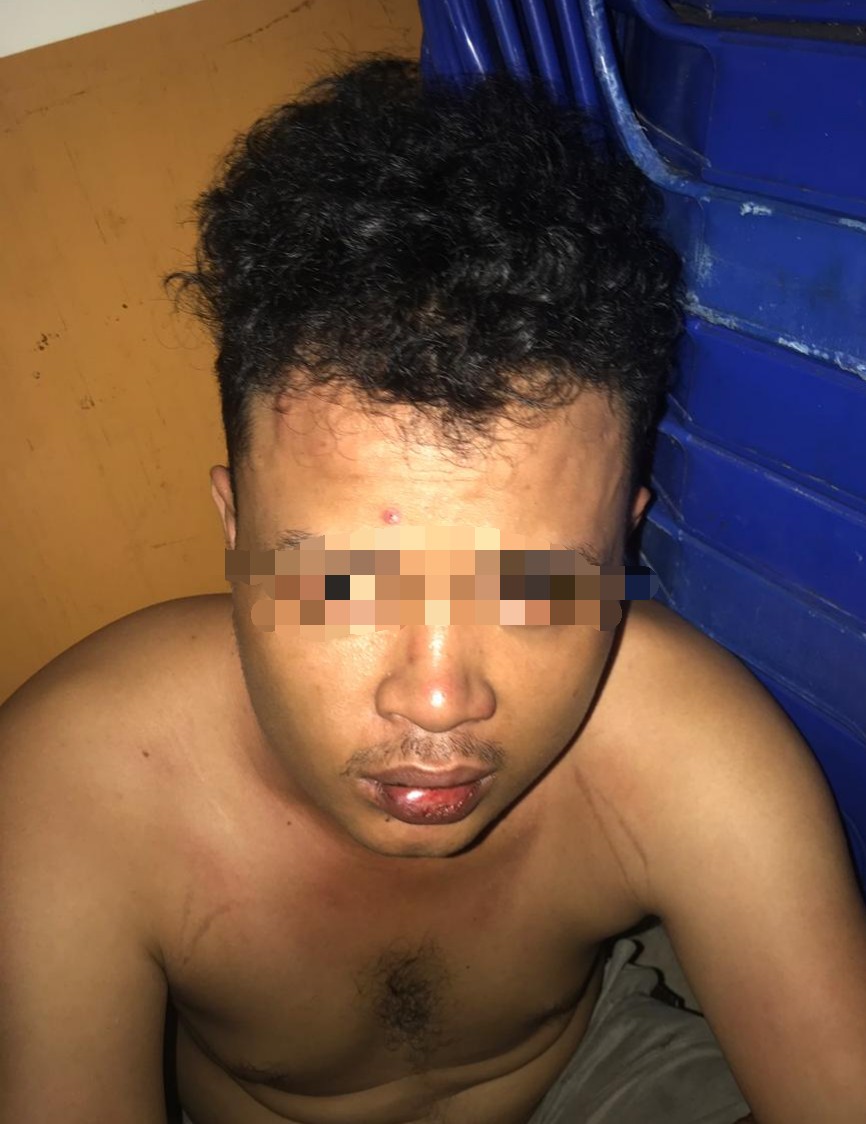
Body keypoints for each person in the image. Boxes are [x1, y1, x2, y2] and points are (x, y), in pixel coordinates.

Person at [2, 52, 865, 1124]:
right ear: (235, 532)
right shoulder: (80, 786)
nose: (442, 699)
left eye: (538, 588)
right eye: (341, 582)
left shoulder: (684, 743)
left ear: (620, 547)